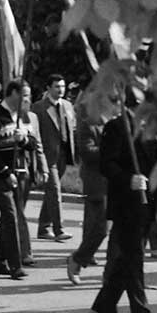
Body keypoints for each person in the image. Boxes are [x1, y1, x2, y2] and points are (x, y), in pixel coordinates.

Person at [88, 87, 157, 313]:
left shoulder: (152, 129)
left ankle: (103, 307)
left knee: (126, 260)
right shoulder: (117, 127)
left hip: (147, 204)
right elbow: (106, 165)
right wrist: (128, 178)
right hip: (126, 206)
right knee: (134, 261)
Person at [0, 80, 46, 279]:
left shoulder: (23, 116)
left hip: (22, 174)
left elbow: (32, 143)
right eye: (25, 94)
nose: (27, 99)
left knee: (9, 218)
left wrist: (23, 138)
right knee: (11, 217)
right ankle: (15, 265)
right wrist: (5, 171)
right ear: (12, 93)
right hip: (1, 175)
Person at [67, 95, 108, 284]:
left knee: (124, 229)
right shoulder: (87, 124)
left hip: (117, 181)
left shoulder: (116, 122)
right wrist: (111, 150)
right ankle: (78, 258)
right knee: (100, 228)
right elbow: (86, 152)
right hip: (97, 182)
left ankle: (114, 271)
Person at [35, 74, 77, 242]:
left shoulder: (67, 105)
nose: (61, 90)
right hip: (47, 156)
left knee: (51, 192)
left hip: (63, 155)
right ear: (48, 88)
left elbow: (72, 128)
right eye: (57, 87)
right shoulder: (38, 108)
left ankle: (44, 227)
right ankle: (58, 229)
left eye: (62, 87)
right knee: (54, 190)